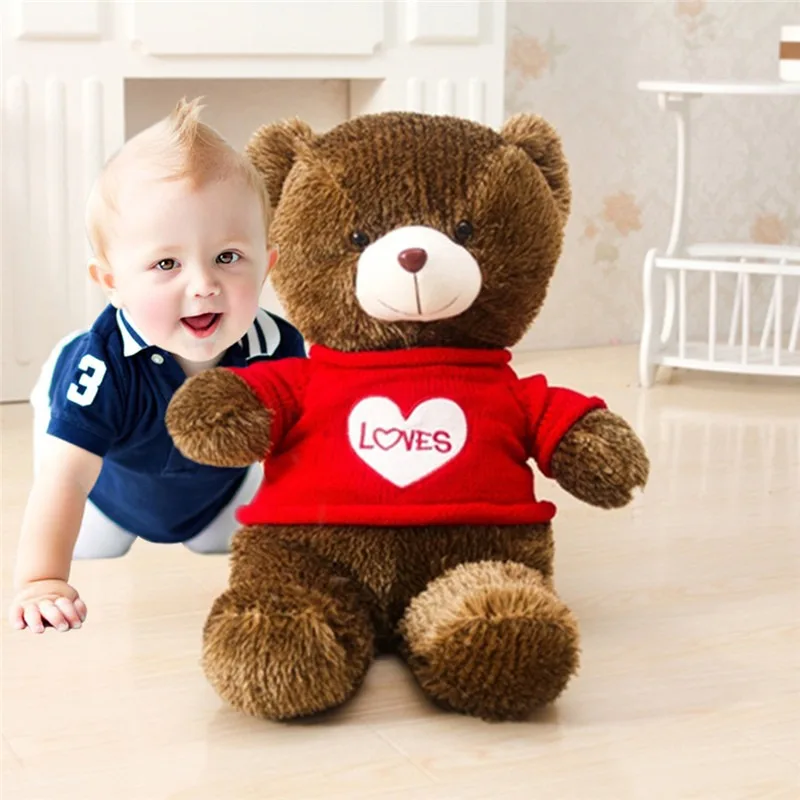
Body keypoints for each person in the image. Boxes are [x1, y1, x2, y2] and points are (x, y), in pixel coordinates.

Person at [8, 97, 305, 635]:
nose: (204, 284)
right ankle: (51, 389)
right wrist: (41, 580)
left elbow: (303, 460)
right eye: (167, 263)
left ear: (267, 266)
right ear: (112, 283)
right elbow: (66, 477)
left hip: (214, 492)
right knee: (90, 536)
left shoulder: (278, 348)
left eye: (228, 257)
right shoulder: (104, 366)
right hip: (106, 493)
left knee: (224, 542)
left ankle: (206, 524)